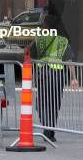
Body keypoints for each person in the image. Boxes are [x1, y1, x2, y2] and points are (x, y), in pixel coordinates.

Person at [31, 14, 79, 142]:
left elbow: (30, 59)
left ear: (44, 25)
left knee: (41, 103)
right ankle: (49, 131)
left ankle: (47, 129)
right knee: (54, 104)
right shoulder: (62, 41)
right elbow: (69, 60)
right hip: (58, 76)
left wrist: (30, 77)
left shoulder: (39, 39)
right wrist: (73, 78)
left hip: (43, 75)